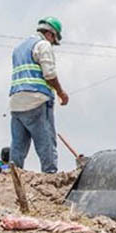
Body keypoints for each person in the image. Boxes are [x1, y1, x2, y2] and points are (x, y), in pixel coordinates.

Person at [9, 17, 69, 173]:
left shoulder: (18, 48)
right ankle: (50, 178)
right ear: (50, 34)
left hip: (16, 103)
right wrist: (61, 93)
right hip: (36, 100)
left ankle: (13, 176)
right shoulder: (43, 45)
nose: (53, 44)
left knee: (17, 148)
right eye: (54, 40)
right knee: (46, 144)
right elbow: (49, 74)